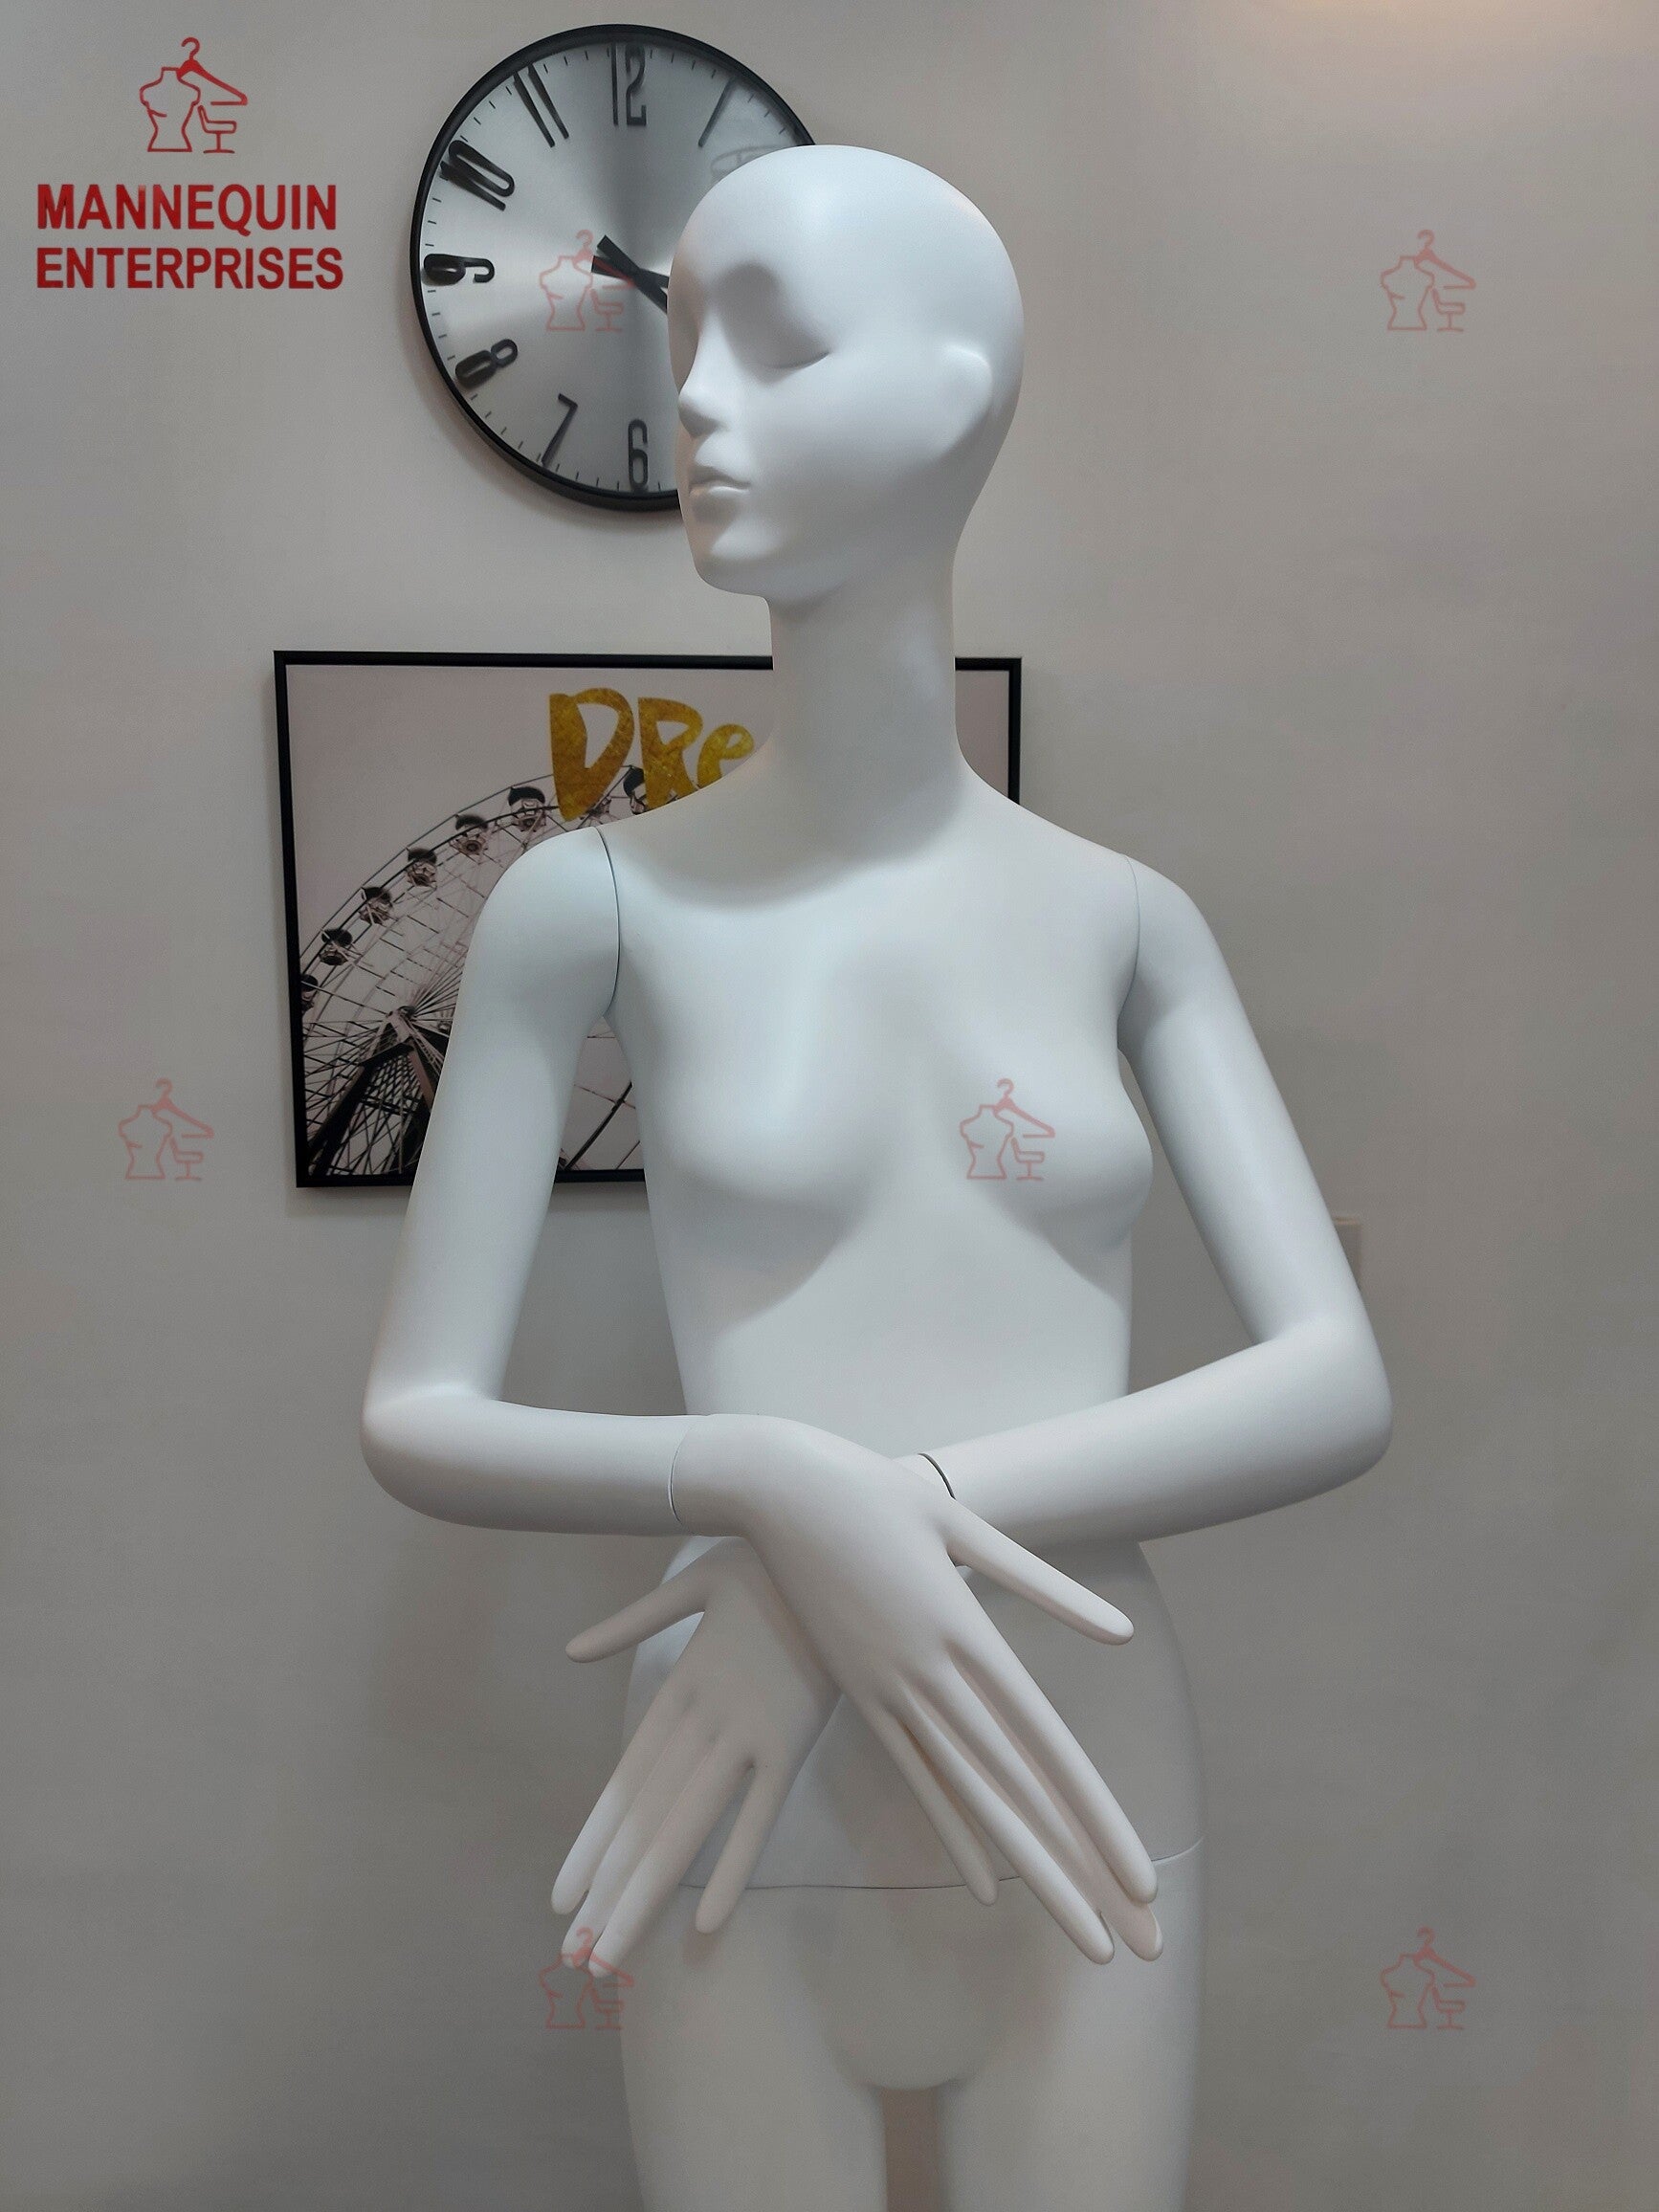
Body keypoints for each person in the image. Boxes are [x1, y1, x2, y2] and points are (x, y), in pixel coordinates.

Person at [361, 145, 1392, 2212]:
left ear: (949, 394)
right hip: (742, 1803)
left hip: (1078, 1773)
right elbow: (418, 1413)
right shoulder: (589, 906)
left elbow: (1335, 1384)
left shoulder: (1124, 920)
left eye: (776, 344)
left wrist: (876, 1519)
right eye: (683, 345)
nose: (694, 402)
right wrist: (770, 1479)